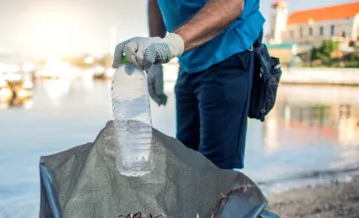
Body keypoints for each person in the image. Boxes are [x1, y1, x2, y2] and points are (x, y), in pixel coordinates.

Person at [112, 0, 264, 170]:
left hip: (228, 49)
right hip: (188, 57)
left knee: (214, 166)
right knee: (185, 156)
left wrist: (171, 44)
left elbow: (232, 3)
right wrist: (155, 56)